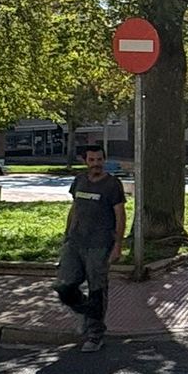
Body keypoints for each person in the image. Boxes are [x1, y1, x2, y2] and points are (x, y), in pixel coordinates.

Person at [56, 145, 127, 352]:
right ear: (85, 161)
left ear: (104, 160)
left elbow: (120, 215)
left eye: (99, 160)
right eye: (92, 160)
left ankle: (95, 334)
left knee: (97, 289)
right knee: (65, 286)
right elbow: (74, 208)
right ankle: (87, 315)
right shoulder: (79, 180)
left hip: (100, 245)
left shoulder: (112, 184)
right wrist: (67, 235)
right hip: (75, 243)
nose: (96, 164)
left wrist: (118, 245)